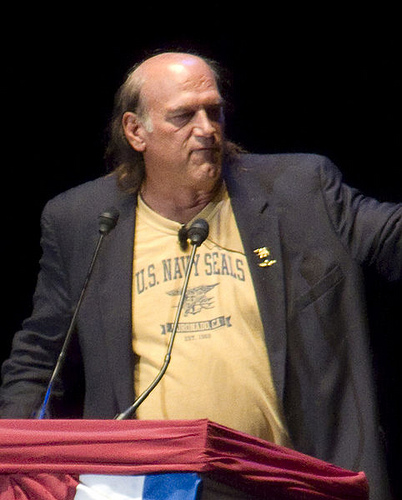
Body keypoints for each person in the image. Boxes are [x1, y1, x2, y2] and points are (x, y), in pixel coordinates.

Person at [0, 51, 400, 499]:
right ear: (136, 131)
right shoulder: (83, 220)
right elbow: (40, 358)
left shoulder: (299, 191)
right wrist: (12, 461)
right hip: (148, 486)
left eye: (214, 111)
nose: (206, 128)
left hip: (288, 480)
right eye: (184, 116)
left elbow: (391, 236)